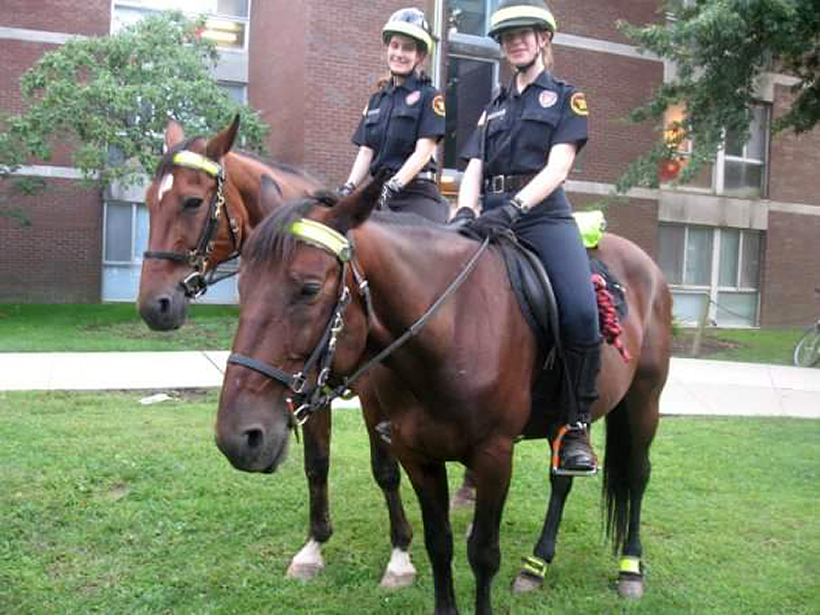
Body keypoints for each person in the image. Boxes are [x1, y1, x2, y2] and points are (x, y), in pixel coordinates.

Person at [456, 0, 600, 474]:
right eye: (507, 36)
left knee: (580, 312)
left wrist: (516, 208)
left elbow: (559, 167)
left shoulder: (565, 96)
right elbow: (474, 165)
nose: (516, 41)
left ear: (544, 40)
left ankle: (574, 426)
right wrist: (464, 210)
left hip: (542, 218)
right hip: (490, 213)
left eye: (526, 33)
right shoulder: (492, 107)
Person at [341, 7, 449, 224]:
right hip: (378, 191)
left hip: (416, 194)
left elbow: (423, 153)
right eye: (395, 45)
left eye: (407, 49)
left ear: (419, 56)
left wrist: (391, 188)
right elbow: (366, 152)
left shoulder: (430, 97)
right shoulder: (376, 101)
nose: (399, 53)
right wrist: (348, 188)